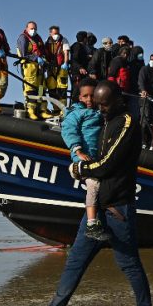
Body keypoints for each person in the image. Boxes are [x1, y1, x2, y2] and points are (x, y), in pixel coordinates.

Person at [17, 80, 153, 306]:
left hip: (118, 208)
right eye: (98, 103)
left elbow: (106, 164)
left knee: (128, 264)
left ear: (118, 100)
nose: (100, 108)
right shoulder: (103, 121)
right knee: (75, 261)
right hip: (97, 210)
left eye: (104, 104)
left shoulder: (127, 124)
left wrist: (79, 169)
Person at [60, 78, 107, 241]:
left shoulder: (100, 113)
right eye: (85, 96)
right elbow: (68, 130)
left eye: (92, 96)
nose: (89, 99)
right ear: (79, 98)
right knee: (93, 184)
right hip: (82, 159)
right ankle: (92, 224)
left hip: (96, 159)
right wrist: (78, 150)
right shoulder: (76, 114)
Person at [16, 21, 51, 120]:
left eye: (35, 28)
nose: (33, 30)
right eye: (31, 28)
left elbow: (43, 50)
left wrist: (44, 59)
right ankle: (31, 110)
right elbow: (24, 54)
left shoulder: (37, 38)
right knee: (30, 88)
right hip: (29, 67)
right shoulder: (23, 38)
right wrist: (36, 58)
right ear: (27, 28)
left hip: (39, 67)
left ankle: (42, 110)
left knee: (41, 88)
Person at [44, 25, 70, 115]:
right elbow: (44, 53)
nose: (57, 35)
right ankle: (55, 108)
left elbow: (66, 52)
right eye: (55, 33)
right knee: (51, 88)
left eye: (58, 33)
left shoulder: (63, 40)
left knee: (62, 88)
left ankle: (63, 109)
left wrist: (66, 63)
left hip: (61, 67)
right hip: (50, 67)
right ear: (50, 33)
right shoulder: (47, 42)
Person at [138, 53, 153, 149]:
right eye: (151, 59)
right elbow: (141, 81)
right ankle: (142, 141)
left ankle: (149, 143)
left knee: (151, 119)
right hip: (144, 97)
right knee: (144, 119)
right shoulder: (144, 69)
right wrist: (143, 90)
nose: (152, 61)